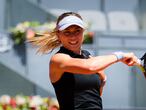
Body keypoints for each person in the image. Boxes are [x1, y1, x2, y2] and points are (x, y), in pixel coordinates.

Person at [28, 12, 139, 110]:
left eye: (77, 31)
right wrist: (119, 56)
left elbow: (97, 89)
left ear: (83, 32)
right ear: (58, 34)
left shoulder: (88, 56)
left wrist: (103, 80)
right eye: (67, 32)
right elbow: (90, 67)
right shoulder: (58, 59)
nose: (73, 36)